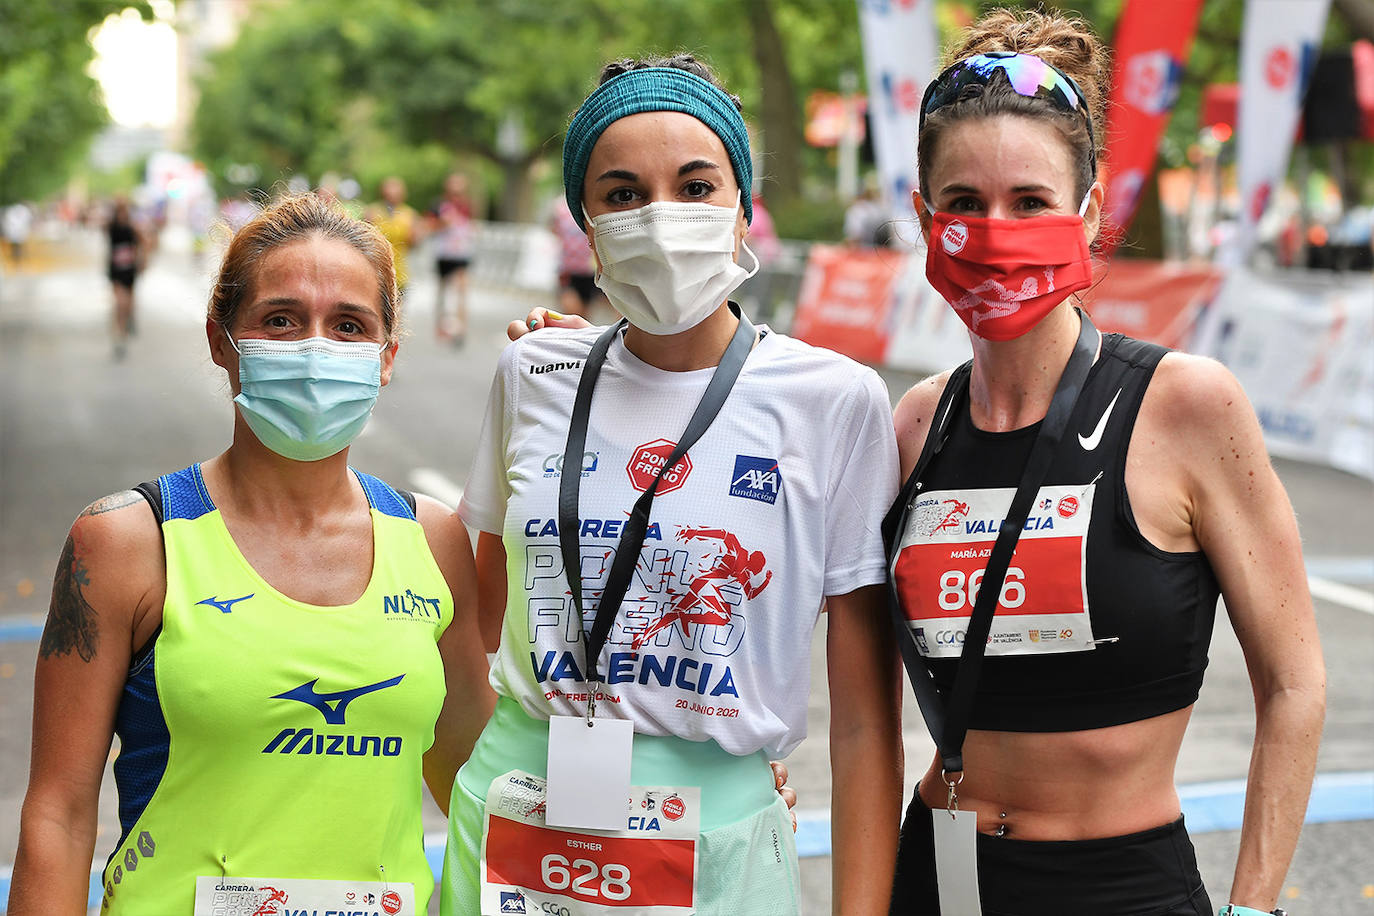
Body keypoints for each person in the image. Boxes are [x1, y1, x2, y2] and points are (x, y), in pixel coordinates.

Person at [884, 11, 1325, 915]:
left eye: (1030, 202)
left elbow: (1294, 683)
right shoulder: (911, 424)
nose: (994, 229)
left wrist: (1255, 907)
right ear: (926, 218)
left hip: (1122, 887)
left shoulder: (1190, 406)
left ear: (1088, 213)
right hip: (941, 874)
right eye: (963, 204)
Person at [443, 54, 902, 915]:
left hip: (717, 839)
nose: (659, 217)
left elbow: (867, 721)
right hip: (514, 822)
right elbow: (491, 610)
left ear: (743, 211)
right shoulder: (533, 370)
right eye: (622, 194)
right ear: (586, 220)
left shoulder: (835, 400)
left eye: (695, 187)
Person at [10, 193, 495, 915]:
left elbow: (478, 791)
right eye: (280, 319)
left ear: (387, 356)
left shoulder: (434, 541)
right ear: (220, 339)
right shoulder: (125, 542)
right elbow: (59, 814)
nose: (314, 349)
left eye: (349, 325)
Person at [430, 173, 476, 344]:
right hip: (444, 253)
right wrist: (443, 223)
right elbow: (430, 226)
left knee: (461, 291)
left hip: (462, 254)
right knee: (443, 291)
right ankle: (440, 326)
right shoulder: (439, 205)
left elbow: (471, 225)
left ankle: (461, 328)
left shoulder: (467, 206)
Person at [106, 197, 145, 359]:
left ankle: (128, 320)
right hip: (116, 270)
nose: (122, 215)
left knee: (128, 302)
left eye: (124, 211)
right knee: (119, 302)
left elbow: (143, 242)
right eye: (119, 211)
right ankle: (119, 334)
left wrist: (141, 261)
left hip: (129, 270)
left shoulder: (132, 229)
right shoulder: (112, 228)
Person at [549, 195, 599, 319]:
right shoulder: (559, 207)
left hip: (590, 271)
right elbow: (552, 229)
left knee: (583, 318)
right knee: (572, 312)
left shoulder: (592, 204)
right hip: (568, 270)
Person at [367, 175, 419, 294]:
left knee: (398, 308)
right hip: (376, 269)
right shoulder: (372, 211)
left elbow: (414, 243)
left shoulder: (409, 214)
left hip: (400, 271)